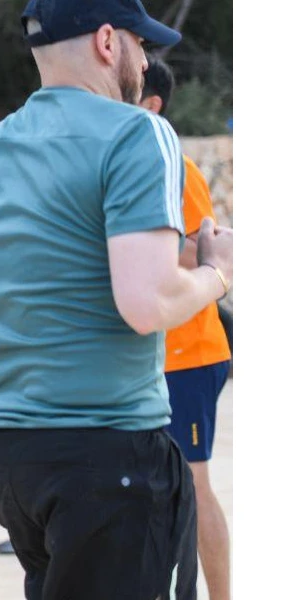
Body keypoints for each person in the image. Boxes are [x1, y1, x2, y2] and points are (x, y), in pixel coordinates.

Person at [0, 1, 233, 597]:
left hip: (7, 448)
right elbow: (147, 302)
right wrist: (219, 273)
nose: (144, 60)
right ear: (108, 42)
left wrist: (45, 273)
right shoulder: (141, 132)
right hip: (109, 449)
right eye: (143, 45)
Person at [138, 57, 233, 600]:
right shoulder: (140, 164)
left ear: (151, 104)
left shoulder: (177, 166)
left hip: (191, 354)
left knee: (195, 490)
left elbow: (202, 248)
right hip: (159, 355)